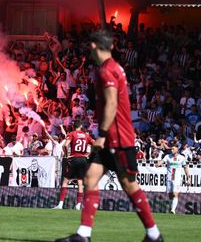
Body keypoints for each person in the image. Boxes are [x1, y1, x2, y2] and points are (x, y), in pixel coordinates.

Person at [56, 30, 163, 242]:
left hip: (118, 138)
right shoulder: (113, 67)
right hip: (112, 137)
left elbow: (112, 103)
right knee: (90, 178)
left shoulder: (106, 71)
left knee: (129, 184)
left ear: (95, 47)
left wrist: (102, 135)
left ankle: (154, 234)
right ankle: (84, 234)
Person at [53, 120, 93, 210]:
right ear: (81, 126)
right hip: (83, 159)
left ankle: (60, 204)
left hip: (74, 158)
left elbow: (65, 145)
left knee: (65, 181)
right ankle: (78, 205)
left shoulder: (72, 134)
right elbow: (95, 144)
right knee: (80, 182)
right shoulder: (86, 136)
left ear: (73, 126)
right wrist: (89, 154)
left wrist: (67, 156)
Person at [156, 144, 191, 214]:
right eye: (171, 149)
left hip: (177, 179)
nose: (171, 150)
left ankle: (173, 210)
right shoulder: (167, 156)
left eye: (173, 149)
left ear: (177, 150)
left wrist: (188, 178)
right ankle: (171, 208)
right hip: (169, 178)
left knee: (175, 193)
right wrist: (158, 163)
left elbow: (185, 168)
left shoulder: (182, 158)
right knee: (170, 194)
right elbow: (161, 162)